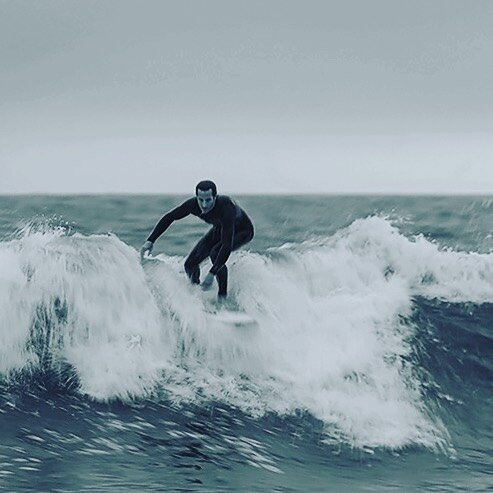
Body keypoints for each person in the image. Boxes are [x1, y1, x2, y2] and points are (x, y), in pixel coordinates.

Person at [140, 180, 254, 299]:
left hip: (243, 230)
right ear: (197, 197)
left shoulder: (226, 207)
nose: (204, 205)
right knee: (190, 264)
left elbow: (226, 245)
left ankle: (222, 298)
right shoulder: (192, 205)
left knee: (215, 253)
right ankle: (197, 296)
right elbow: (170, 217)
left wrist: (212, 273)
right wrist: (150, 240)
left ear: (215, 197)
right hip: (220, 227)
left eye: (208, 200)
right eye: (201, 200)